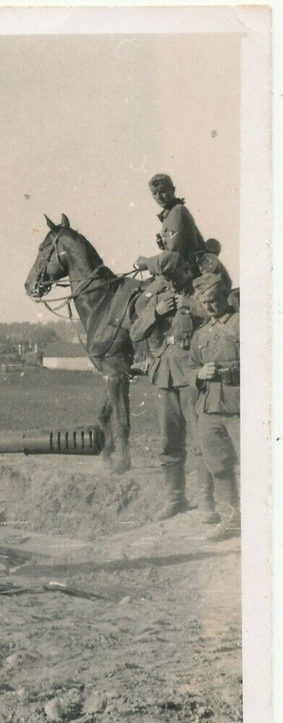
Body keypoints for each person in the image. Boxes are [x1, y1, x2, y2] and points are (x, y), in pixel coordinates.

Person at [130, 249, 213, 520]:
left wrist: (188, 304)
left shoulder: (198, 290)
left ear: (183, 272)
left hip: (191, 375)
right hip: (164, 376)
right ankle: (175, 499)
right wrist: (156, 311)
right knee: (169, 441)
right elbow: (136, 331)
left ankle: (207, 502)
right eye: (165, 277)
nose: (169, 281)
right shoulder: (157, 296)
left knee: (201, 441)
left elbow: (216, 318)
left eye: (173, 276)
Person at [190, 270, 240, 535]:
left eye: (212, 300)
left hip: (240, 407)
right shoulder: (201, 334)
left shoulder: (241, 324)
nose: (208, 306)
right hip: (209, 408)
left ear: (225, 295)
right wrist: (198, 374)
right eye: (203, 302)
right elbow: (190, 366)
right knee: (218, 466)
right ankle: (231, 521)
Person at [148, 174, 207, 268]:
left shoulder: (177, 212)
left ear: (173, 190)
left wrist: (146, 263)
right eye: (154, 193)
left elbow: (173, 257)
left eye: (162, 191)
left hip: (190, 274)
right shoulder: (169, 214)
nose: (158, 197)